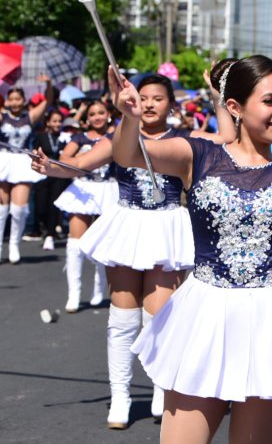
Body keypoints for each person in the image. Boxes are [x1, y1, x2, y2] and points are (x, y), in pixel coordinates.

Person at [110, 1, 272, 443]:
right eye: (269, 100)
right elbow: (128, 154)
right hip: (204, 320)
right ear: (234, 106)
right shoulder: (198, 154)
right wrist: (128, 116)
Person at [32, 71, 234, 429]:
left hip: (168, 227)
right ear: (134, 101)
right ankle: (121, 397)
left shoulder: (185, 139)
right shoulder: (120, 137)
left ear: (171, 104)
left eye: (159, 97)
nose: (152, 103)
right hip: (128, 225)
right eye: (145, 97)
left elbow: (228, 139)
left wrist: (217, 97)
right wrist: (50, 167)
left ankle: (160, 388)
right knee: (122, 319)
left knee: (159, 318)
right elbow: (79, 165)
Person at [53, 102, 118, 312]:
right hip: (84, 190)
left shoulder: (117, 134)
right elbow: (64, 158)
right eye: (92, 114)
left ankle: (99, 288)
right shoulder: (80, 137)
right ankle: (74, 293)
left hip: (109, 189)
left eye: (101, 112)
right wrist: (85, 161)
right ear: (86, 118)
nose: (97, 117)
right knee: (75, 243)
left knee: (103, 243)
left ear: (109, 114)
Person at [0, 77, 52, 265]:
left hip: (21, 161)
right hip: (3, 159)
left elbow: (48, 102)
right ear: (6, 101)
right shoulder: (0, 116)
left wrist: (49, 85)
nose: (14, 103)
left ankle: (14, 244)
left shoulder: (30, 116)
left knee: (19, 208)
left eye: (18, 99)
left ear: (23, 100)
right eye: (11, 99)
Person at [31, 110, 70, 251]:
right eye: (55, 121)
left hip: (58, 176)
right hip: (42, 175)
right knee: (41, 207)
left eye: (60, 121)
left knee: (53, 205)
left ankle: (50, 235)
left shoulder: (65, 137)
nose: (57, 124)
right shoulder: (41, 137)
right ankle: (44, 227)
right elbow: (34, 152)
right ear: (48, 122)